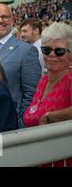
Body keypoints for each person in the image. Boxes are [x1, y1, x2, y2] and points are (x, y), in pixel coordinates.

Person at [23, 23, 72, 167]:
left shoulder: (70, 79)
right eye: (46, 50)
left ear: (70, 55)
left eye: (59, 51)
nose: (51, 55)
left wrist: (50, 116)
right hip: (37, 157)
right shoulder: (43, 81)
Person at [0, 3, 42, 127]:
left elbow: (32, 93)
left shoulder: (26, 50)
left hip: (10, 124)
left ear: (12, 20)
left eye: (5, 17)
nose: (0, 20)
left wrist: (20, 124)